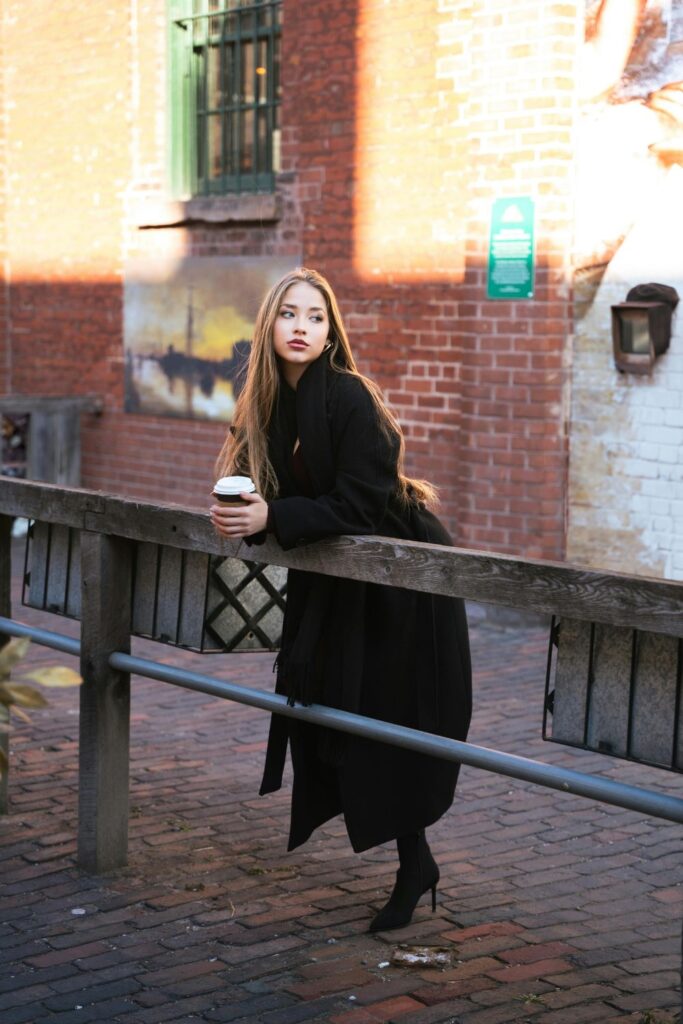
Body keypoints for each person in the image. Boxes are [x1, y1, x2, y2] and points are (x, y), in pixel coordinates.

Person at [210, 267, 472, 932]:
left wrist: (274, 517)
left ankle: (415, 865)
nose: (301, 327)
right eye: (289, 314)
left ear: (330, 333)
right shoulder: (265, 406)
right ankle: (416, 862)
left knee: (386, 717)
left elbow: (359, 501)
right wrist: (238, 511)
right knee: (330, 712)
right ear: (269, 325)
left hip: (396, 581)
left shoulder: (349, 397)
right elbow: (258, 486)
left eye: (315, 317)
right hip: (334, 581)